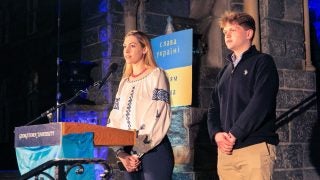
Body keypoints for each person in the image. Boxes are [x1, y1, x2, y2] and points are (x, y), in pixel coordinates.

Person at [207, 11, 279, 180]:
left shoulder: (263, 62)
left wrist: (234, 134)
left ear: (248, 33)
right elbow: (213, 108)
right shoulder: (224, 72)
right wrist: (217, 134)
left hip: (254, 147)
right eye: (225, 32)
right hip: (226, 152)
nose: (227, 35)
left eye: (233, 29)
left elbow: (261, 103)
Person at [107, 30, 174, 180]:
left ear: (144, 49)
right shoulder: (124, 82)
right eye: (124, 46)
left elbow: (158, 115)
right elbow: (115, 118)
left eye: (132, 46)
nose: (126, 50)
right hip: (128, 153)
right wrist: (121, 153)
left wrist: (136, 152)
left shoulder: (157, 74)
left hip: (153, 150)